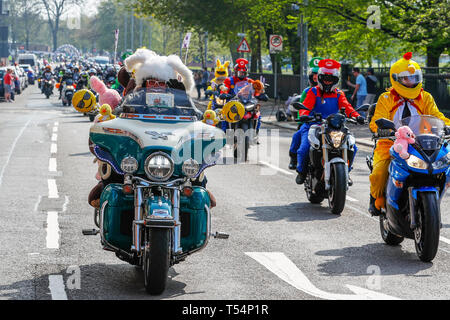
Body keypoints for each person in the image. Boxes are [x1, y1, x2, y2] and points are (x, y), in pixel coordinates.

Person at [368, 52, 450, 216]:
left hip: (421, 144)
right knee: (379, 171)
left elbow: (436, 116)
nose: (411, 82)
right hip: (391, 144)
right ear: (396, 79)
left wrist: (447, 125)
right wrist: (381, 129)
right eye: (406, 79)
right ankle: (374, 199)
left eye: (414, 78)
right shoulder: (386, 98)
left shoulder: (425, 97)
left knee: (444, 164)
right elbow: (376, 120)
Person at [295, 59, 365, 184]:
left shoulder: (339, 94)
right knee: (304, 148)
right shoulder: (313, 92)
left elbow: (347, 107)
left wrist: (357, 116)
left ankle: (346, 172)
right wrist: (304, 115)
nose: (328, 82)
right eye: (325, 79)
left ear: (336, 81)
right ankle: (302, 171)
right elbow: (305, 106)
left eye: (331, 80)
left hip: (335, 127)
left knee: (352, 147)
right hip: (314, 125)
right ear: (320, 79)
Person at [288, 57, 323, 169]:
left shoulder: (335, 92)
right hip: (310, 123)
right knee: (297, 137)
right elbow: (302, 107)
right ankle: (294, 159)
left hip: (327, 124)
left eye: (318, 76)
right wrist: (302, 117)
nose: (316, 79)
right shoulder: (307, 91)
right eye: (314, 76)